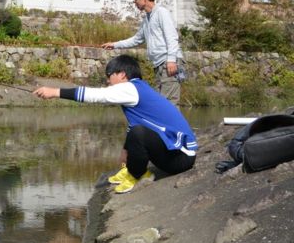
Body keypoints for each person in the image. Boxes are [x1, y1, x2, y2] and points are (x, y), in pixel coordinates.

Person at [33, 55, 197, 193]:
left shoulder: (130, 88)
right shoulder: (138, 90)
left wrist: (55, 92)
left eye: (110, 75)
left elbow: (96, 95)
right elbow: (136, 124)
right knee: (136, 131)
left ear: (122, 75)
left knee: (138, 132)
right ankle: (134, 171)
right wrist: (126, 152)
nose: (108, 80)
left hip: (180, 159)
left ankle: (138, 175)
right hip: (176, 155)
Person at [102, 0, 184, 103]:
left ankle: (173, 122)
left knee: (168, 102)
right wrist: (115, 44)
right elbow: (136, 39)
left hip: (168, 62)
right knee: (160, 101)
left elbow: (172, 37)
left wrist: (171, 59)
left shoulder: (162, 13)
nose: (135, 3)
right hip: (159, 65)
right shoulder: (147, 20)